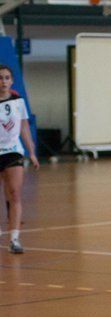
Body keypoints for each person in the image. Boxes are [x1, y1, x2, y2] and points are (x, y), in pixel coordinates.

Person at [0, 65, 39, 254]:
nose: (4, 81)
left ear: (12, 80)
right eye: (0, 78)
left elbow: (24, 127)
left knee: (14, 193)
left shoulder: (18, 100)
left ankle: (14, 239)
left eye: (7, 78)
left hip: (13, 151)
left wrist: (31, 152)